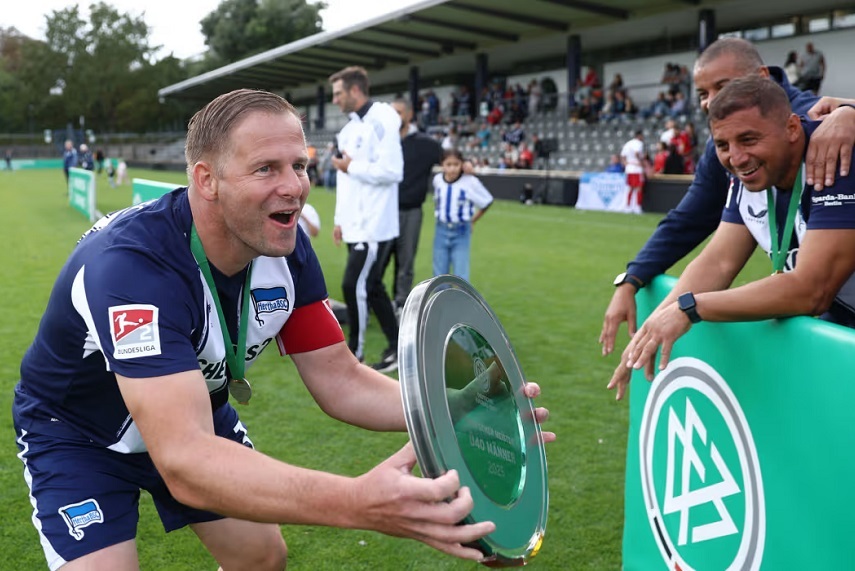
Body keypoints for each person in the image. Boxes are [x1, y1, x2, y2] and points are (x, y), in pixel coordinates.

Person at [11, 88, 554, 570]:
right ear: (207, 180)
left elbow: (342, 379)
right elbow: (186, 460)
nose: (295, 186)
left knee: (262, 558)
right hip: (78, 435)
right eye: (266, 168)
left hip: (193, 412)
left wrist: (456, 407)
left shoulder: (285, 249)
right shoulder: (131, 269)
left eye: (299, 164)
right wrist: (358, 501)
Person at [598, 37, 855, 384]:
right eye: (723, 145)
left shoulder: (834, 146)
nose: (736, 157)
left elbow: (810, 290)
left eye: (748, 140)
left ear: (792, 128)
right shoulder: (747, 170)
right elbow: (717, 260)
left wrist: (692, 308)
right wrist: (652, 328)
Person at [329, 66, 402, 372]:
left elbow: (392, 172)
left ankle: (353, 357)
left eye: (338, 93)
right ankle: (398, 347)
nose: (334, 100)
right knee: (372, 288)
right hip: (354, 226)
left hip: (374, 225)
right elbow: (346, 179)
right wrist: (339, 219)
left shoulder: (383, 120)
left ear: (355, 90)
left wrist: (352, 167)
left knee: (352, 286)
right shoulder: (347, 130)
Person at [381, 97, 443, 313]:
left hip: (411, 211)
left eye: (398, 112)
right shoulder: (382, 142)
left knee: (405, 262)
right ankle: (374, 302)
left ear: (409, 114)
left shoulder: (428, 144)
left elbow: (451, 160)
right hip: (382, 211)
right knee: (379, 260)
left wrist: (468, 166)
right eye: (391, 113)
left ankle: (401, 304)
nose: (394, 117)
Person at [432, 149, 493, 281]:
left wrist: (472, 221)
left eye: (456, 164)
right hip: (441, 229)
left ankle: (460, 301)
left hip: (460, 230)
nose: (452, 169)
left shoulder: (470, 182)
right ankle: (441, 301)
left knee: (461, 274)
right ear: (442, 164)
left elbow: (487, 201)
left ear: (462, 165)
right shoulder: (437, 180)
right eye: (448, 164)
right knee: (439, 274)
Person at [620, 130, 645, 214]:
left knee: (630, 187)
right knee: (639, 188)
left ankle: (628, 206)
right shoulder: (639, 143)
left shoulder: (628, 143)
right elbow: (637, 153)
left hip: (629, 168)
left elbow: (623, 156)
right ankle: (637, 206)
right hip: (636, 168)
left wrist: (626, 163)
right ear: (639, 136)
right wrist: (641, 161)